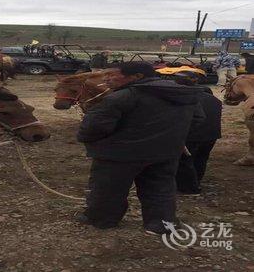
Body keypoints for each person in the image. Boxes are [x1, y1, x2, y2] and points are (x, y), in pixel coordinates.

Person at [76, 61, 205, 234]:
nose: (106, 79)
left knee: (109, 189)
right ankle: (161, 224)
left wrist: (93, 142)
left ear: (137, 77)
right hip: (165, 153)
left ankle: (101, 219)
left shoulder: (122, 97)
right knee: (160, 188)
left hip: (119, 155)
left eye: (112, 74)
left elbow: (93, 128)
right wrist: (172, 138)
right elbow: (197, 120)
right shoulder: (182, 93)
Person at [174, 72, 222, 195]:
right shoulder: (215, 100)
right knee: (201, 159)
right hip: (212, 135)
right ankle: (197, 181)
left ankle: (189, 187)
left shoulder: (184, 98)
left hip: (192, 135)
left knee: (185, 161)